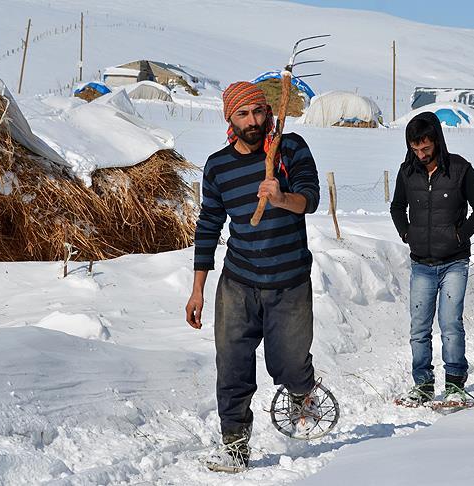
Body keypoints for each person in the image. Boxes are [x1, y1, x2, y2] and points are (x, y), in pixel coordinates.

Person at [185, 81, 322, 473]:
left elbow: (310, 200)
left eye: (259, 112)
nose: (253, 121)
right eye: (243, 114)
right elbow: (208, 225)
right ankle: (235, 447)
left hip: (289, 281)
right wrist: (198, 289)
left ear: (268, 111)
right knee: (231, 367)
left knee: (290, 366)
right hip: (239, 282)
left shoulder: (289, 149)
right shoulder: (218, 166)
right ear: (229, 117)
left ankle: (301, 389)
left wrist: (280, 197)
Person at [390, 112, 474, 404]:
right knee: (419, 328)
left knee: (450, 324)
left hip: (454, 262)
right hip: (421, 263)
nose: (420, 154)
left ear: (437, 141)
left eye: (425, 148)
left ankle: (456, 384)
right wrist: (406, 233)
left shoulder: (459, 169)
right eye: (415, 149)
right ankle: (422, 384)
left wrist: (461, 235)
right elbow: (397, 207)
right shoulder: (407, 172)